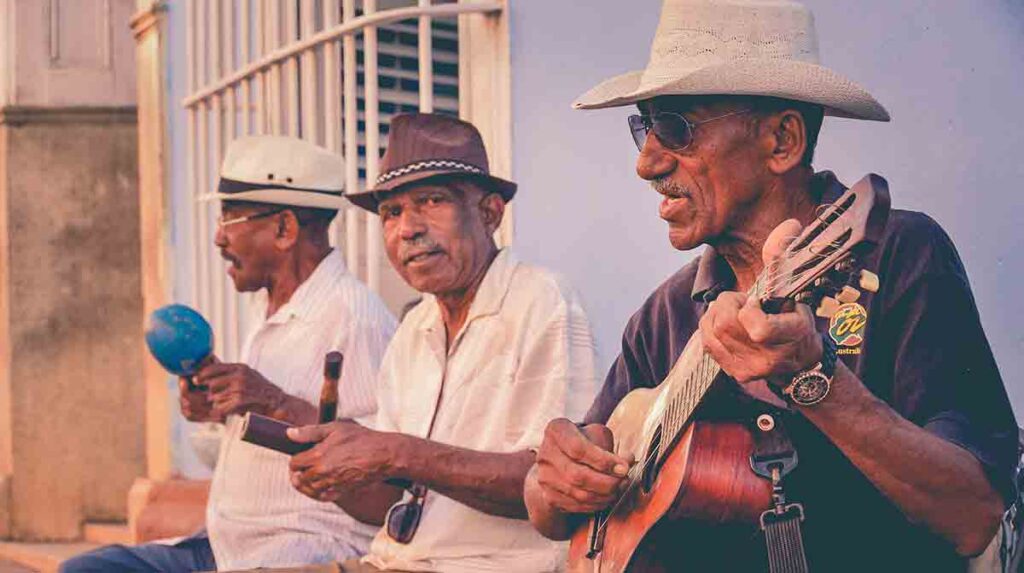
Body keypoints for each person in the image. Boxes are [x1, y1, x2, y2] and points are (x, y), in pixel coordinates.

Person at [524, 0, 1019, 570]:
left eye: (674, 129)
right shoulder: (663, 314)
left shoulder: (904, 254)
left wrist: (816, 381)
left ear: (782, 141)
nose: (646, 163)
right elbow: (553, 508)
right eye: (643, 127)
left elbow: (974, 513)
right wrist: (555, 480)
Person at [61, 136, 397, 572]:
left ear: (284, 229)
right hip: (226, 545)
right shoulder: (270, 306)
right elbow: (278, 418)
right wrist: (221, 408)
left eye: (229, 217)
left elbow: (382, 469)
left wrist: (270, 401)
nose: (219, 237)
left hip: (303, 549)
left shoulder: (356, 318)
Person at [286, 113, 598, 573]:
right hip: (390, 561)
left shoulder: (542, 300)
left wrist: (393, 450)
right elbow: (394, 500)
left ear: (489, 212)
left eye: (430, 201)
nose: (406, 229)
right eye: (391, 212)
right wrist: (340, 480)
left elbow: (552, 484)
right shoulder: (414, 329)